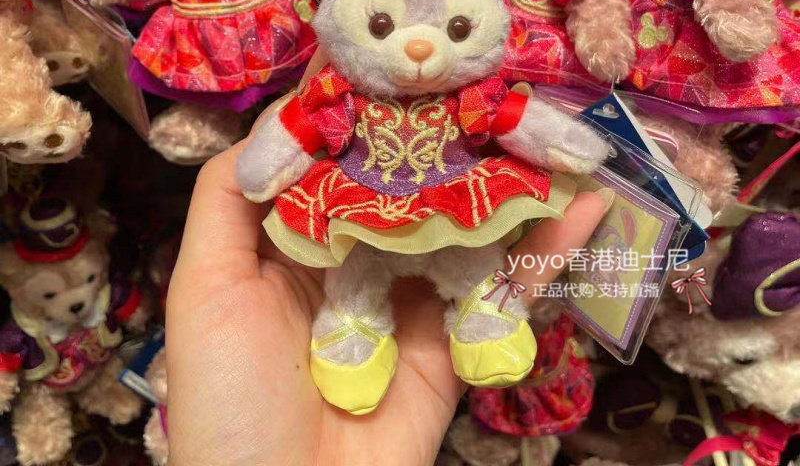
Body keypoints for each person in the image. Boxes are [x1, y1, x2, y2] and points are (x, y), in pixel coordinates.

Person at [166, 54, 609, 466]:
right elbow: (298, 130)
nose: (417, 48)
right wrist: (266, 164)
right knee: (353, 270)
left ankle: (485, 317)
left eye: (457, 28)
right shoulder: (336, 93)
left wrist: (568, 145)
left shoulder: (475, 93)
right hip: (361, 206)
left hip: (453, 198)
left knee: (473, 257)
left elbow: (515, 119)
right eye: (380, 25)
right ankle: (352, 334)